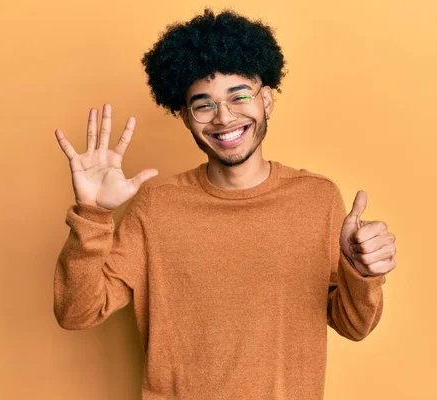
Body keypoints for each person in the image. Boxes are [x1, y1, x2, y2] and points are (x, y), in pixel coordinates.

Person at [53, 8, 397, 400]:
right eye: (203, 105)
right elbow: (76, 312)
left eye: (240, 96)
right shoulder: (157, 206)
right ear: (185, 117)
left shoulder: (317, 198)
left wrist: (361, 272)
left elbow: (355, 326)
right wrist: (93, 216)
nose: (224, 117)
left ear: (266, 100)